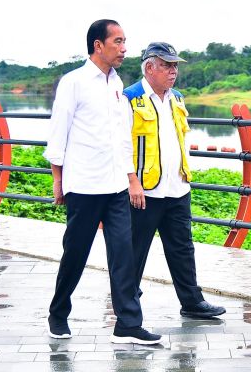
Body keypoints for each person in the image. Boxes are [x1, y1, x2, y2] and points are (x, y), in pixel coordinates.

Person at [42, 19, 161, 345]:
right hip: (83, 186)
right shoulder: (74, 82)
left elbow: (122, 138)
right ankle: (58, 312)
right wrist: (58, 180)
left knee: (123, 253)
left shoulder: (116, 84)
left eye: (125, 42)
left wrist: (131, 180)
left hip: (115, 187)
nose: (124, 49)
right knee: (75, 253)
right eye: (118, 42)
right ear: (98, 45)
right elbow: (58, 132)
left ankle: (127, 324)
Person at [122, 42, 226, 319]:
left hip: (177, 187)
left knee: (182, 247)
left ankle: (192, 302)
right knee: (135, 249)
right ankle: (127, 301)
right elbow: (119, 145)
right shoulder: (129, 98)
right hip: (144, 189)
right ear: (149, 67)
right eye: (167, 65)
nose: (173, 71)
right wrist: (131, 181)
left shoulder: (176, 97)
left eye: (175, 65)